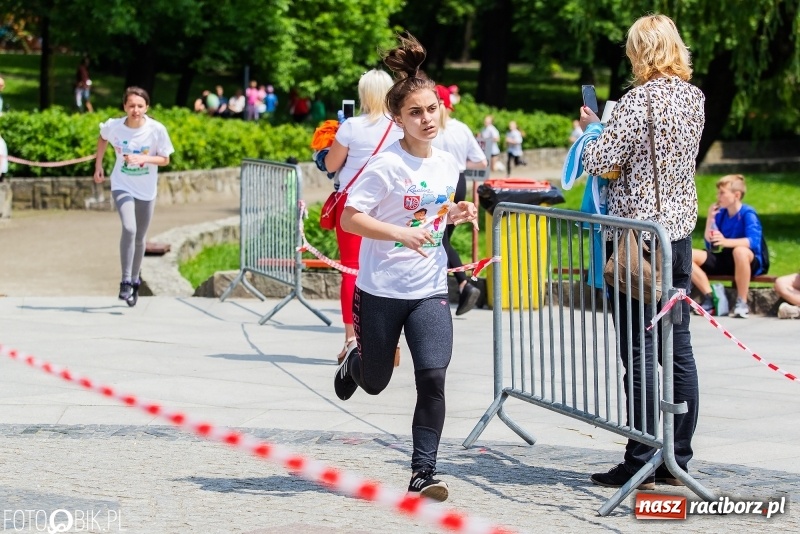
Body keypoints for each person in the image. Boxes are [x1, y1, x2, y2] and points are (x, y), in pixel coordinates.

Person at [333, 32, 478, 502]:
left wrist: (452, 214)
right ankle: (354, 363)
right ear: (397, 119)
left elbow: (430, 213)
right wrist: (399, 234)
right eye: (415, 112)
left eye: (431, 108)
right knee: (375, 383)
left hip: (428, 287)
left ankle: (423, 473)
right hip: (380, 288)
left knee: (433, 376)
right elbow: (349, 217)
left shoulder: (447, 162)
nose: (426, 118)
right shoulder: (384, 165)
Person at [581, 14, 704, 490]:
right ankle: (680, 457)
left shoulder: (637, 100)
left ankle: (641, 455)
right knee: (679, 350)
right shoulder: (694, 98)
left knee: (639, 349)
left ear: (640, 51)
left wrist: (592, 130)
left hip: (636, 239)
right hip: (676, 237)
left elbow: (604, 161)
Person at [322, 70, 404, 363]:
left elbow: (332, 164)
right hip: (391, 204)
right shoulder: (400, 126)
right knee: (391, 268)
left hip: (353, 204)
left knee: (351, 269)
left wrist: (325, 149)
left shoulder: (351, 127)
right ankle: (390, 340)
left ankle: (351, 339)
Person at [93, 87, 175, 307]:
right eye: (131, 105)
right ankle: (126, 280)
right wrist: (98, 165)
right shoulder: (115, 126)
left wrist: (143, 160)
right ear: (124, 107)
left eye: (140, 106)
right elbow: (102, 139)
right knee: (129, 228)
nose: (135, 110)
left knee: (140, 237)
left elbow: (165, 159)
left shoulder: (156, 129)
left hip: (146, 190)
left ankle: (136, 278)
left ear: (146, 107)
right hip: (122, 184)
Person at [432, 84, 487, 315]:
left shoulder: (429, 129)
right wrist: (459, 164)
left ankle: (462, 284)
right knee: (440, 239)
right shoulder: (461, 128)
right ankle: (454, 286)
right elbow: (481, 161)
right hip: (459, 181)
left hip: (435, 180)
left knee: (437, 239)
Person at [691, 174, 765, 318]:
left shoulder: (747, 213)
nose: (718, 196)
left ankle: (742, 302)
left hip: (748, 260)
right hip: (726, 258)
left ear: (736, 195)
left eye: (722, 192)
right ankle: (711, 297)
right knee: (688, 255)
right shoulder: (721, 214)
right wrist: (710, 219)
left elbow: (753, 242)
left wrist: (726, 242)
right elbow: (711, 244)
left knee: (740, 252)